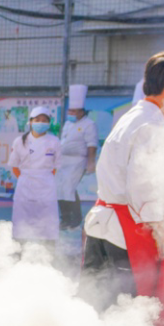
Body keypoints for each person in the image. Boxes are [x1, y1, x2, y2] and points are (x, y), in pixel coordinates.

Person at [81, 50, 164, 309]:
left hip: (103, 226)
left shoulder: (133, 116)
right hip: (125, 233)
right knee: (126, 312)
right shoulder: (152, 126)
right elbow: (144, 190)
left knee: (93, 305)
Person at [6, 107, 61, 249]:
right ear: (30, 122)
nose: (41, 123)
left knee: (48, 218)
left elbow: (56, 166)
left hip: (46, 184)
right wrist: (26, 178)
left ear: (49, 123)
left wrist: (44, 177)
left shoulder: (54, 141)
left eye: (44, 120)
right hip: (25, 183)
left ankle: (49, 251)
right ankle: (19, 249)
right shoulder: (19, 141)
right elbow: (14, 166)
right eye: (37, 120)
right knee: (22, 217)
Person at [57, 84, 99, 229]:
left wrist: (90, 162)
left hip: (78, 161)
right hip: (63, 160)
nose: (71, 113)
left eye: (73, 111)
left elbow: (92, 144)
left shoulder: (89, 124)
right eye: (70, 110)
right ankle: (64, 218)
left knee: (69, 188)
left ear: (81, 112)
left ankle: (74, 219)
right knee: (59, 188)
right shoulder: (68, 123)